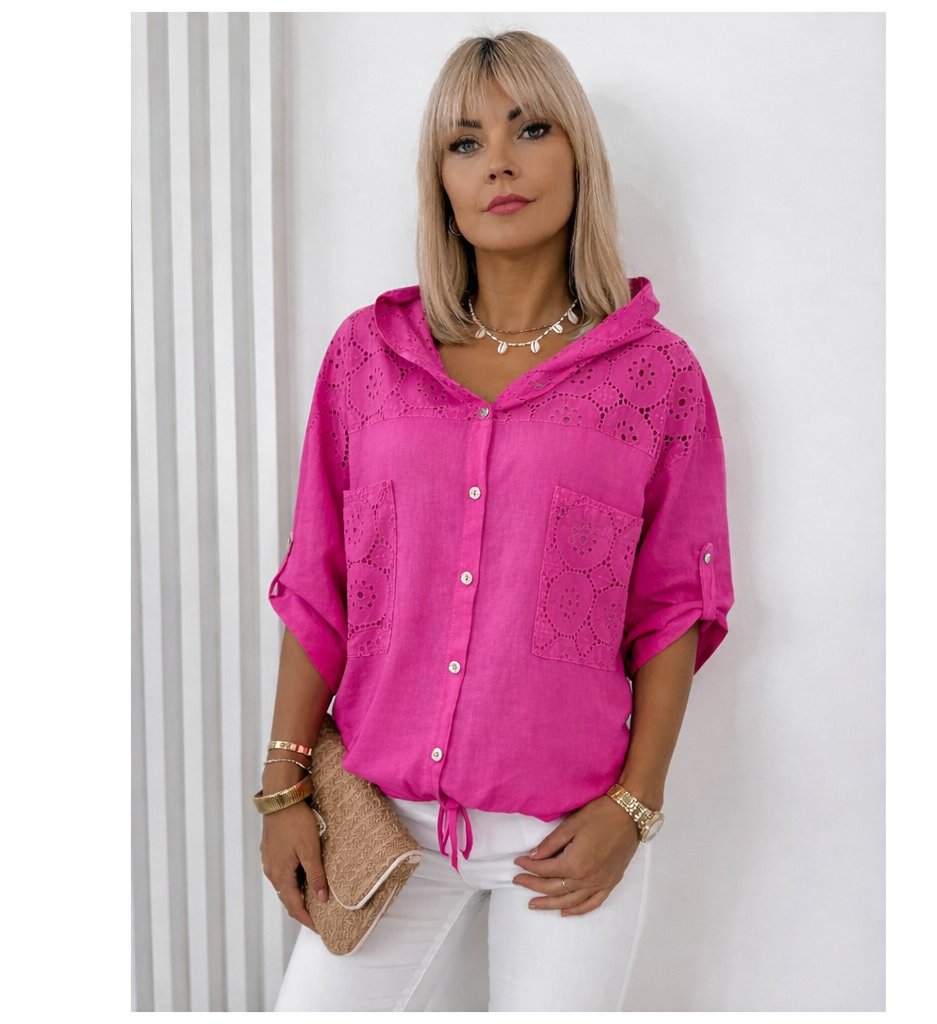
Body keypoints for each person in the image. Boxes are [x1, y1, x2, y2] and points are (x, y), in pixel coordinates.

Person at [257, 29, 734, 1012]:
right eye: (465, 141)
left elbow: (673, 609)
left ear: (578, 154)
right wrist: (282, 788)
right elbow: (318, 579)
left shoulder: (654, 377)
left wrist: (634, 808)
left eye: (531, 129)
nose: (499, 162)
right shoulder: (368, 359)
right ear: (440, 179)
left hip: (566, 835)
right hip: (381, 820)